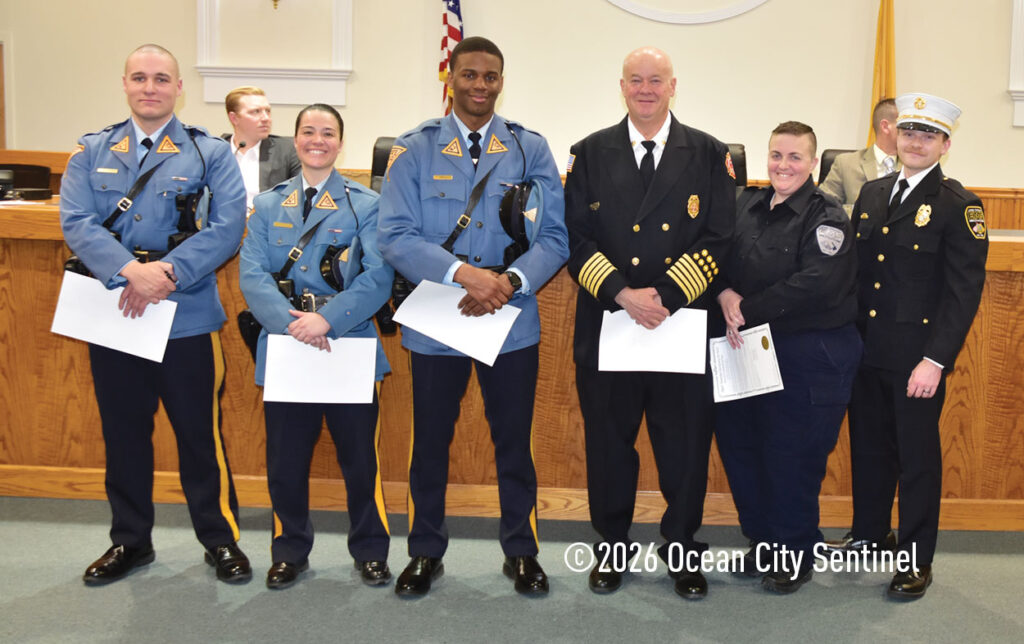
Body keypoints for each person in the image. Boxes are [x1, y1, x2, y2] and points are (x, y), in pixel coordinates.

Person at [378, 36, 568, 597]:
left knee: (514, 443)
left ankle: (522, 552)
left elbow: (555, 238)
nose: (480, 85)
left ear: (501, 82)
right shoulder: (414, 148)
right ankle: (424, 552)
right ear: (451, 78)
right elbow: (394, 236)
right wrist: (466, 275)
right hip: (439, 318)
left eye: (490, 76)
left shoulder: (530, 148)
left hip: (510, 318)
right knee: (430, 443)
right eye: (469, 75)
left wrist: (508, 283)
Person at [60, 44, 250, 585]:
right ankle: (130, 541)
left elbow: (228, 227)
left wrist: (164, 274)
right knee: (123, 435)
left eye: (161, 79)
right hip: (114, 312)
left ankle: (220, 540)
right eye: (140, 77)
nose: (150, 87)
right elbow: (76, 221)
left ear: (178, 88)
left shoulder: (209, 153)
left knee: (199, 436)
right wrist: (129, 270)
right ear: (124, 83)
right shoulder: (91, 150)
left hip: (184, 314)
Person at [564, 46, 734, 599]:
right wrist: (621, 293)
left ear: (672, 86)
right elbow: (574, 238)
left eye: (655, 80)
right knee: (609, 448)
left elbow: (720, 238)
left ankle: (681, 551)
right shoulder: (590, 153)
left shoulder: (708, 153)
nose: (645, 89)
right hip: (611, 322)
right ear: (621, 86)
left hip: (679, 324)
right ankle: (612, 548)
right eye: (635, 80)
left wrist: (664, 296)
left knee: (683, 450)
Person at [829, 93, 988, 600]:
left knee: (917, 459)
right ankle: (870, 533)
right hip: (867, 350)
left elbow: (963, 293)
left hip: (917, 359)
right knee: (869, 449)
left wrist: (935, 361)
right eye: (909, 132)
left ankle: (917, 558)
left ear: (945, 145)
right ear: (893, 136)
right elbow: (858, 275)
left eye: (928, 135)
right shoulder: (874, 193)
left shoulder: (959, 206)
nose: (916, 142)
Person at [238, 103, 394, 590]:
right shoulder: (269, 205)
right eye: (308, 132)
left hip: (347, 341)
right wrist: (293, 326)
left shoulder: (366, 204)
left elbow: (378, 276)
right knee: (285, 461)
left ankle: (371, 551)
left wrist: (326, 320)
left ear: (341, 143)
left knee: (360, 461)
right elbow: (252, 275)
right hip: (288, 345)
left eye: (328, 133)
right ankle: (288, 550)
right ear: (296, 139)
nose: (317, 140)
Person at [713, 121, 861, 594]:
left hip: (807, 353)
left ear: (814, 163)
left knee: (792, 458)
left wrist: (746, 308)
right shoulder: (747, 204)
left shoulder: (827, 217)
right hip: (746, 348)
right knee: (743, 450)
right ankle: (763, 542)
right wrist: (724, 294)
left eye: (795, 157)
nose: (783, 165)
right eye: (776, 155)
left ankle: (794, 551)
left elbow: (815, 284)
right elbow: (715, 257)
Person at [223, 86, 301, 211]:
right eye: (256, 112)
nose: (266, 118)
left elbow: (300, 197)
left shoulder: (288, 150)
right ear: (234, 118)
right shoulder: (216, 151)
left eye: (268, 111)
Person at [819, 98, 899, 211]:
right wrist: (860, 213)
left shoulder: (914, 166)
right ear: (885, 126)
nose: (911, 133)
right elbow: (823, 207)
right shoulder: (845, 164)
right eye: (904, 126)